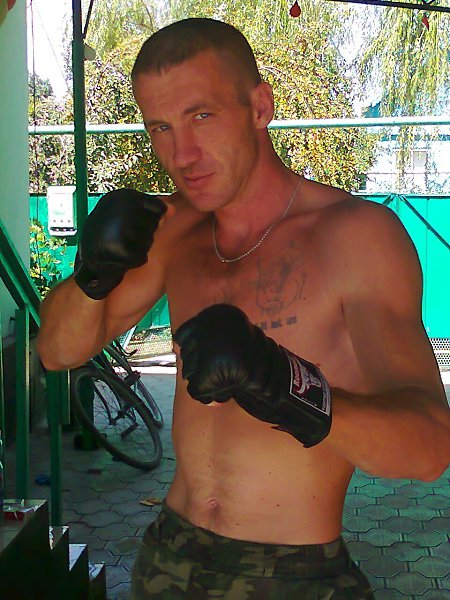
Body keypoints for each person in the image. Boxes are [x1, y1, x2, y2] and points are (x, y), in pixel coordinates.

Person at [37, 18, 450, 600]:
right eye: (160, 127)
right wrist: (92, 275)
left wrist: (287, 386)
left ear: (260, 106)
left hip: (293, 571)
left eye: (202, 115)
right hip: (169, 552)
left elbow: (430, 449)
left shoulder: (354, 237)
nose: (181, 153)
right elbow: (57, 351)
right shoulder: (174, 231)